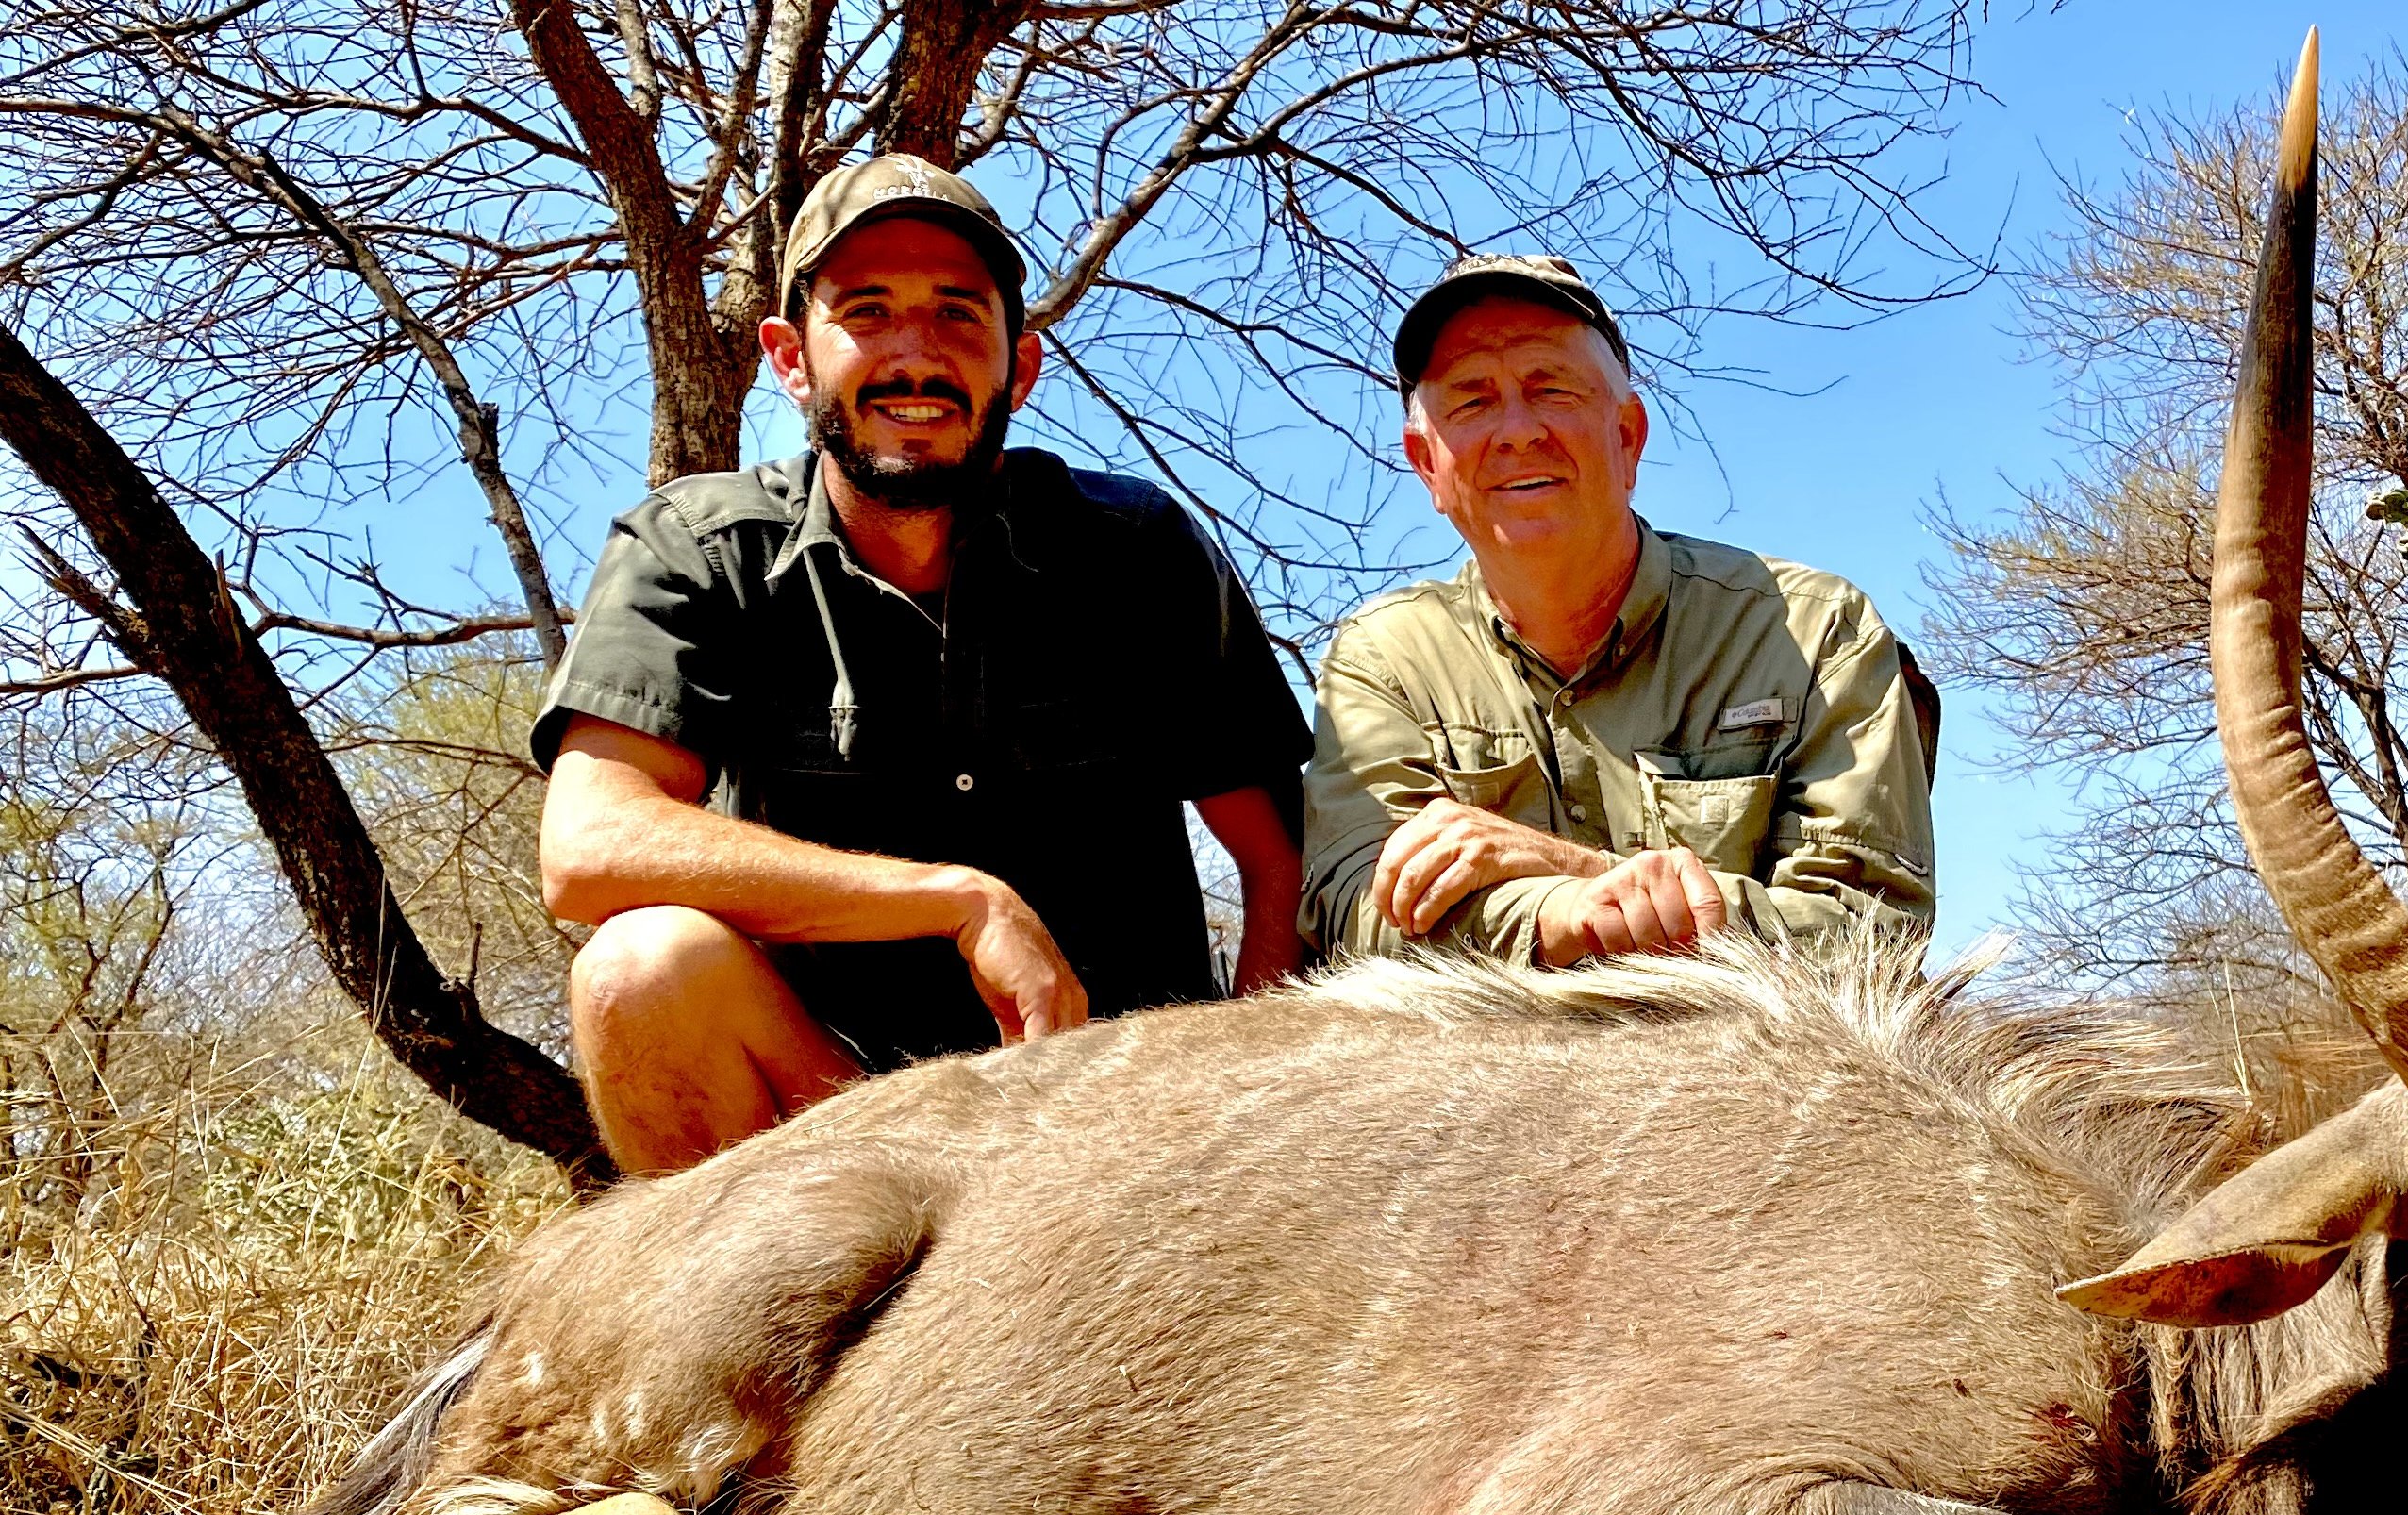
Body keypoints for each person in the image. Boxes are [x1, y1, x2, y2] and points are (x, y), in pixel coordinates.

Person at [534, 156, 1310, 1174]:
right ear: (791, 357)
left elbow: (1276, 858)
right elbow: (591, 847)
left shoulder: (1140, 548)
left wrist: (1249, 1102)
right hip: (845, 1132)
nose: (914, 354)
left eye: (956, 314)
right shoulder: (698, 547)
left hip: (1128, 1138)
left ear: (1017, 367)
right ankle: (765, 1328)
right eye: (866, 312)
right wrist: (956, 898)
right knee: (640, 970)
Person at [1299, 254, 1935, 967]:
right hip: (1472, 1068)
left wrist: (1587, 885)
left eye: (1552, 389)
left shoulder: (1818, 630)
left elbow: (1869, 934)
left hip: (1751, 1065)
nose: (1517, 431)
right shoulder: (1384, 657)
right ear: (1427, 465)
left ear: (1628, 436)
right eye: (1472, 401)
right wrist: (1555, 914)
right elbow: (1356, 910)